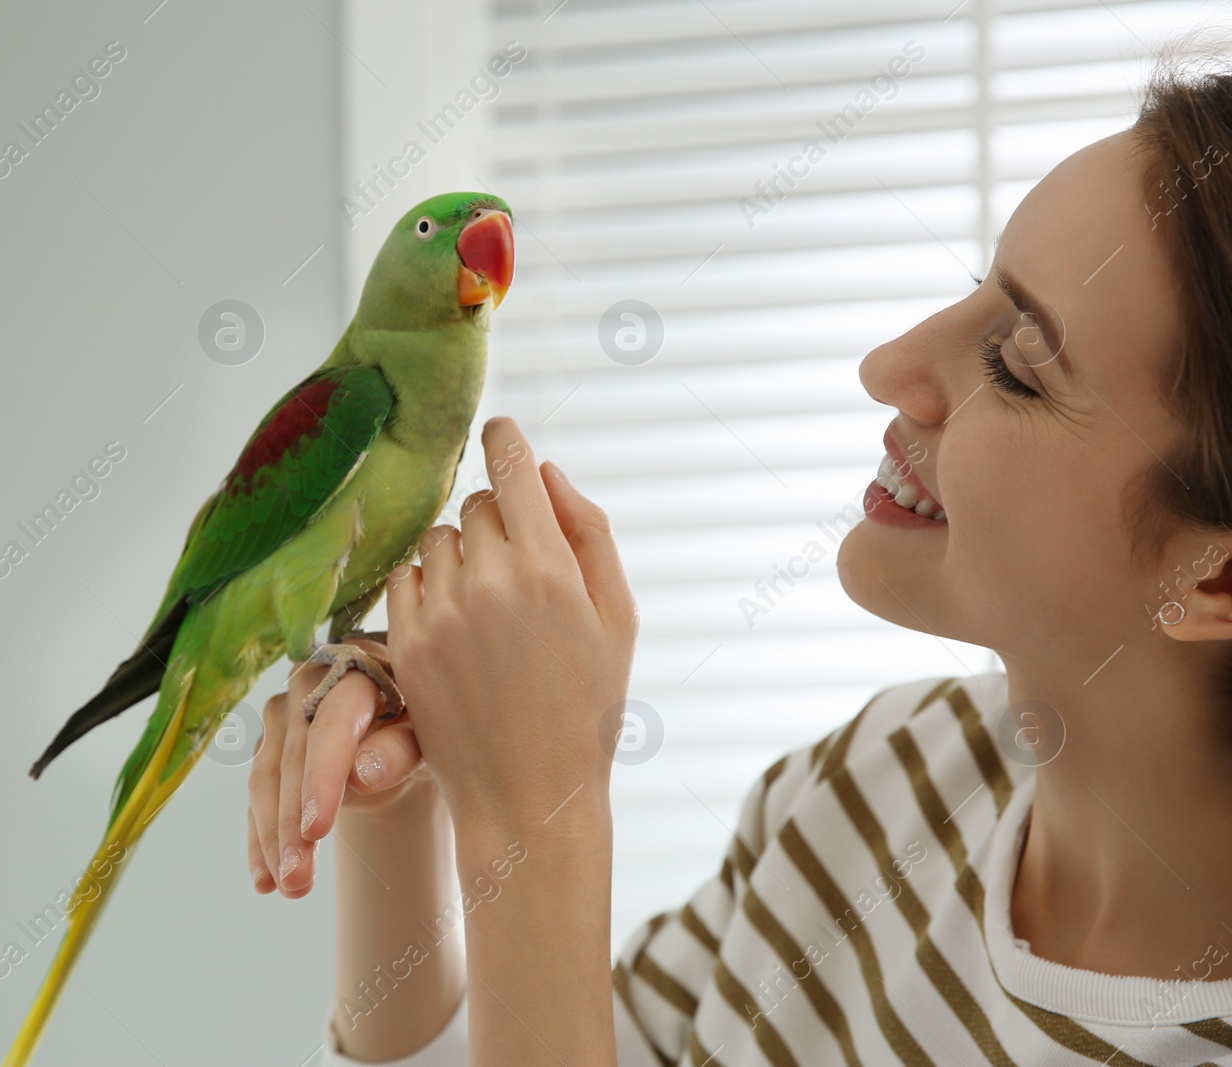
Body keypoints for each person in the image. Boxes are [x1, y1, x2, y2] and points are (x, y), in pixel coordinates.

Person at [247, 44, 1232, 1066]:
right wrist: (402, 804)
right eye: (976, 288)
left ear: (1214, 575)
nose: (888, 365)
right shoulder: (882, 776)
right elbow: (547, 1034)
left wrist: (535, 824)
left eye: (1018, 365)